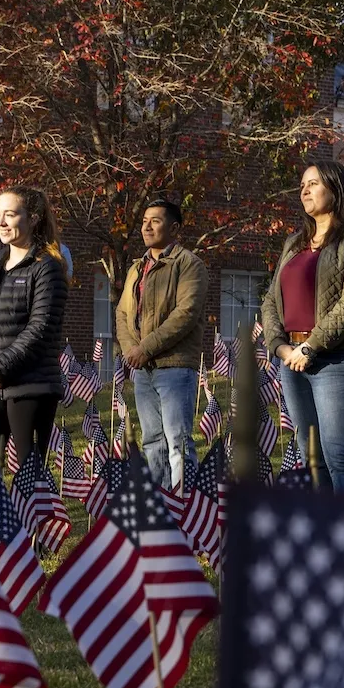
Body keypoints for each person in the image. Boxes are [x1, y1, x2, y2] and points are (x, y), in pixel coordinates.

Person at [262, 160, 344, 493]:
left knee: (339, 457)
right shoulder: (293, 242)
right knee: (310, 456)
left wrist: (311, 346)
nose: (305, 190)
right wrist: (281, 346)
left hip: (336, 359)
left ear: (335, 188)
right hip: (291, 360)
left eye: (312, 183)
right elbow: (271, 300)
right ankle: (325, 534)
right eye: (302, 185)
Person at [0, 185, 67, 483]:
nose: (1, 222)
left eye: (10, 214)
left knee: (29, 478)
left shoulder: (47, 267)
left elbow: (40, 328)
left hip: (30, 385)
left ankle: (32, 530)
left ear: (33, 218)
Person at [116, 198, 209, 489]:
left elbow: (186, 314)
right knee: (152, 441)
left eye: (155, 220)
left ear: (174, 227)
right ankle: (161, 508)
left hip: (176, 366)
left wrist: (145, 348)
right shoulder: (136, 268)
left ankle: (185, 508)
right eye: (144, 220)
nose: (147, 226)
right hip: (143, 368)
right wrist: (132, 349)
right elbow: (122, 313)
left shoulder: (189, 265)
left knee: (178, 441)